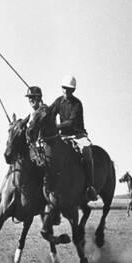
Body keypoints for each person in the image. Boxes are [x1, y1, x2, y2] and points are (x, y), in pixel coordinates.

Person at [49, 74, 98, 202]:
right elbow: (50, 113)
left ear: (73, 90)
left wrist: (56, 126)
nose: (65, 91)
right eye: (64, 88)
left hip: (78, 135)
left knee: (87, 151)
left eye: (68, 89)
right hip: (63, 135)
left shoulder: (77, 104)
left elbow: (70, 122)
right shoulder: (58, 101)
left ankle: (90, 187)